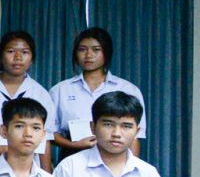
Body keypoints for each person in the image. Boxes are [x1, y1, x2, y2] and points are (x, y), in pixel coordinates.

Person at [49, 28, 147, 156]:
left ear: (107, 52)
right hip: (72, 154)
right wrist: (73, 145)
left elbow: (135, 137)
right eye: (82, 49)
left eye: (96, 50)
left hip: (116, 156)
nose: (88, 55)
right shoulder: (60, 90)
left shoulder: (127, 89)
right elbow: (48, 132)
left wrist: (132, 166)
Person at [0, 31, 55, 171]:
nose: (18, 57)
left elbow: (45, 140)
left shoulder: (40, 94)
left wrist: (47, 175)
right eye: (11, 51)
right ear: (0, 56)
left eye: (24, 52)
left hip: (29, 169)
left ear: (32, 58)